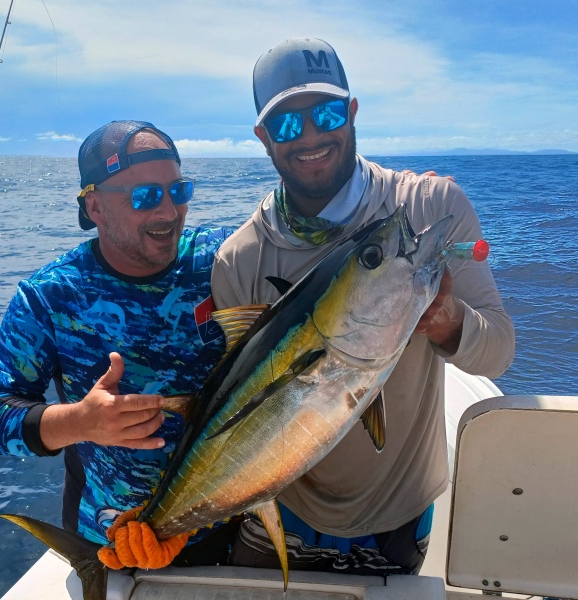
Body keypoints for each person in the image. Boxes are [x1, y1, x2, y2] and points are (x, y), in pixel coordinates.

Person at [211, 38, 516, 576]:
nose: (309, 137)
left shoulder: (428, 206)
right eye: (285, 125)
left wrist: (449, 323)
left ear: (351, 112)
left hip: (399, 515)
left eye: (325, 112)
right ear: (262, 138)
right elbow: (243, 411)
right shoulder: (239, 260)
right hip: (281, 506)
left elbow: (498, 352)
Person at [0, 120, 237, 566]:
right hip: (112, 547)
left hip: (229, 529)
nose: (169, 213)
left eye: (178, 191)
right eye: (145, 196)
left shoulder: (222, 256)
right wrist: (78, 422)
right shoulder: (50, 295)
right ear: (94, 207)